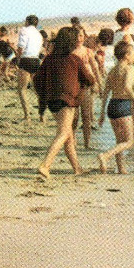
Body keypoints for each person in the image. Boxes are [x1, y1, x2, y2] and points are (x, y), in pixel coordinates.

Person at [32, 26, 95, 178]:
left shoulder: (49, 59)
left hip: (52, 102)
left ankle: (77, 168)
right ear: (71, 43)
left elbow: (36, 79)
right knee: (64, 133)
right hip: (67, 101)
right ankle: (45, 165)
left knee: (68, 136)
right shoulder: (74, 59)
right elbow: (89, 79)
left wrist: (43, 95)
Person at [97, 40, 134, 174]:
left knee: (120, 141)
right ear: (127, 55)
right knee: (129, 141)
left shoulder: (113, 70)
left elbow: (105, 93)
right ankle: (105, 156)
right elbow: (127, 87)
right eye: (133, 54)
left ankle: (121, 168)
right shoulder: (129, 68)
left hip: (112, 106)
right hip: (123, 105)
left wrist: (102, 113)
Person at [15, 15, 42, 122]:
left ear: (27, 22)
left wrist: (18, 59)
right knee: (37, 91)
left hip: (26, 60)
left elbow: (21, 47)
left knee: (22, 89)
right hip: (36, 60)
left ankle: (27, 116)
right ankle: (42, 116)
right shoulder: (39, 34)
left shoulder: (24, 30)